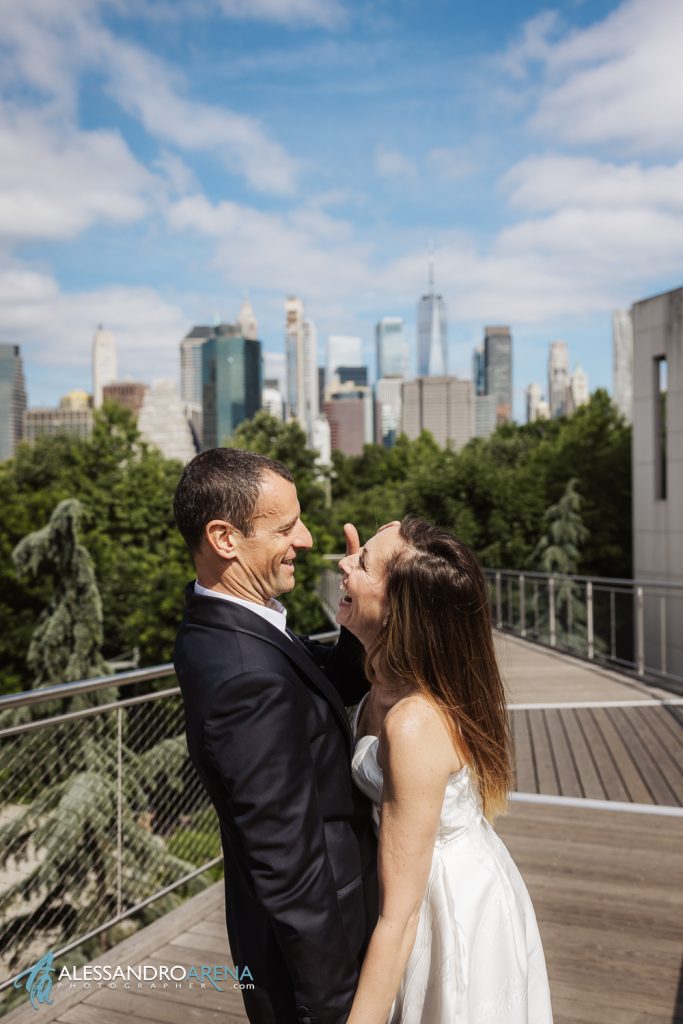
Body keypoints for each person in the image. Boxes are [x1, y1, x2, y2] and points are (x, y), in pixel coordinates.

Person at [172, 448, 377, 1024]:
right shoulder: (246, 678)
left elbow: (328, 682)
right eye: (286, 528)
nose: (308, 540)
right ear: (225, 538)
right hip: (323, 957)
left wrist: (356, 615)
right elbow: (290, 867)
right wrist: (337, 1009)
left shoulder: (228, 620)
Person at [337, 516, 553, 1023]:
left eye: (362, 561)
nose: (343, 563)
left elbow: (402, 914)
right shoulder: (386, 674)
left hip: (449, 907)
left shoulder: (414, 723)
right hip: (425, 885)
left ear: (398, 613)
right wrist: (358, 593)